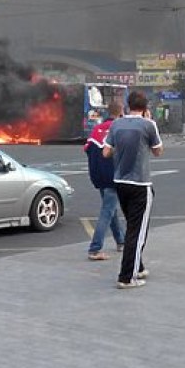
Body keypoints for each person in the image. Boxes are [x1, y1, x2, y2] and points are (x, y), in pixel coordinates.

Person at [102, 90, 164, 289]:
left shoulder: (116, 124)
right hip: (140, 184)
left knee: (132, 228)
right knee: (137, 232)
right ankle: (127, 276)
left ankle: (138, 266)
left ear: (128, 106)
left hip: (120, 181)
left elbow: (106, 152)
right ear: (145, 108)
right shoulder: (148, 125)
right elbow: (158, 152)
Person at [84, 102, 125, 261]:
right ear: (121, 113)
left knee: (111, 208)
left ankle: (121, 241)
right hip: (113, 176)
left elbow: (87, 149)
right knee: (107, 210)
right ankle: (95, 248)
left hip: (98, 176)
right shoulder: (119, 129)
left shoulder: (96, 129)